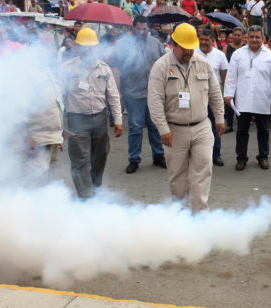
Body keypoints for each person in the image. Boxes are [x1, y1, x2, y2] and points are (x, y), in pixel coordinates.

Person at [148, 23, 224, 212]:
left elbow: (215, 92)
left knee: (202, 174)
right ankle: (180, 219)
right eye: (185, 48)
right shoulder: (161, 67)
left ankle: (200, 216)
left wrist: (220, 117)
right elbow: (155, 101)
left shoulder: (203, 63)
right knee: (178, 178)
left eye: (191, 47)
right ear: (174, 44)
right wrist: (163, 129)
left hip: (202, 127)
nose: (189, 52)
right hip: (174, 130)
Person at [58, 28, 123, 199]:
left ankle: (96, 190)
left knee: (99, 158)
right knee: (80, 162)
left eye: (91, 48)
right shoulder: (67, 68)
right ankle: (85, 200)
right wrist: (59, 124)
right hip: (76, 119)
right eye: (84, 47)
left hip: (99, 119)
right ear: (78, 48)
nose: (87, 51)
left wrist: (118, 120)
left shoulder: (104, 68)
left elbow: (113, 95)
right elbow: (60, 97)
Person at [110, 16, 166, 174]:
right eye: (139, 29)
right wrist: (118, 90)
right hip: (133, 93)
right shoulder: (122, 45)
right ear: (133, 28)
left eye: (145, 29)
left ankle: (158, 155)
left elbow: (164, 64)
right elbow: (115, 67)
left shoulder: (155, 43)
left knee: (156, 126)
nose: (142, 32)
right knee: (135, 127)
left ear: (148, 28)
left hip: (154, 93)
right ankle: (134, 159)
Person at [224, 25, 271, 171]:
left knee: (263, 130)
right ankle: (241, 158)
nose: (254, 39)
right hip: (243, 98)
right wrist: (228, 94)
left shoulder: (270, 56)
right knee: (242, 131)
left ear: (263, 38)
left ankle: (263, 157)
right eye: (251, 37)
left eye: (257, 37)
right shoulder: (238, 54)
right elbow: (231, 76)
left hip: (262, 98)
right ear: (246, 38)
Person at [195, 28, 228, 167]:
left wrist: (225, 95)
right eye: (201, 39)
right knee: (197, 127)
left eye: (206, 40)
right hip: (196, 97)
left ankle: (216, 155)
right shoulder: (192, 52)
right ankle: (198, 156)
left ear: (212, 40)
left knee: (216, 126)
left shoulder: (220, 55)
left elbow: (225, 77)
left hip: (213, 98)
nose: (203, 42)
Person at [222, 26, 245, 133]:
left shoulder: (246, 48)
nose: (236, 37)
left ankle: (242, 124)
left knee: (241, 102)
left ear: (243, 36)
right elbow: (222, 62)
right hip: (229, 78)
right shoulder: (227, 47)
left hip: (242, 79)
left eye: (239, 35)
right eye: (234, 35)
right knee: (229, 102)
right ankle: (229, 125)